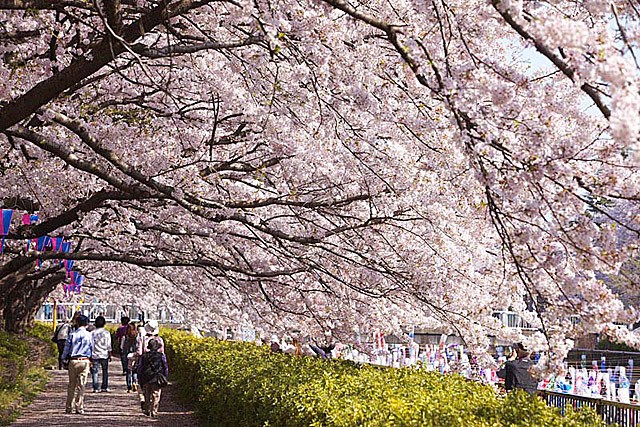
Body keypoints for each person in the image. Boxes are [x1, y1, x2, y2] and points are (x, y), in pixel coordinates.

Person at [61, 315, 93, 415]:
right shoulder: (89, 335)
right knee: (81, 385)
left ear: (77, 323)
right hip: (84, 361)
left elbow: (67, 348)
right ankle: (79, 407)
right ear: (87, 324)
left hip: (73, 361)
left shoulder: (72, 334)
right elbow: (91, 348)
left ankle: (69, 407)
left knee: (71, 385)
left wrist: (63, 358)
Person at [137, 339, 168, 418]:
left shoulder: (144, 356)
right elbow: (165, 367)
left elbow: (140, 367)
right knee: (156, 394)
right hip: (156, 377)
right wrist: (165, 376)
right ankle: (154, 410)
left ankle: (147, 409)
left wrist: (139, 378)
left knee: (147, 394)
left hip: (146, 377)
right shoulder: (161, 355)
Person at [90, 315, 112, 392]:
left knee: (95, 371)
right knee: (105, 371)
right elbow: (109, 345)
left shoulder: (92, 333)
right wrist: (110, 353)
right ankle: (104, 386)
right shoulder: (106, 333)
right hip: (104, 354)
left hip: (95, 354)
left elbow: (91, 344)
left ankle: (96, 387)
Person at [122, 322, 140, 393]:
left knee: (128, 371)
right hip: (135, 355)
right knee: (135, 370)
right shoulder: (137, 336)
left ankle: (129, 387)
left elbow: (122, 347)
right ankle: (135, 382)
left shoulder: (125, 337)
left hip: (127, 356)